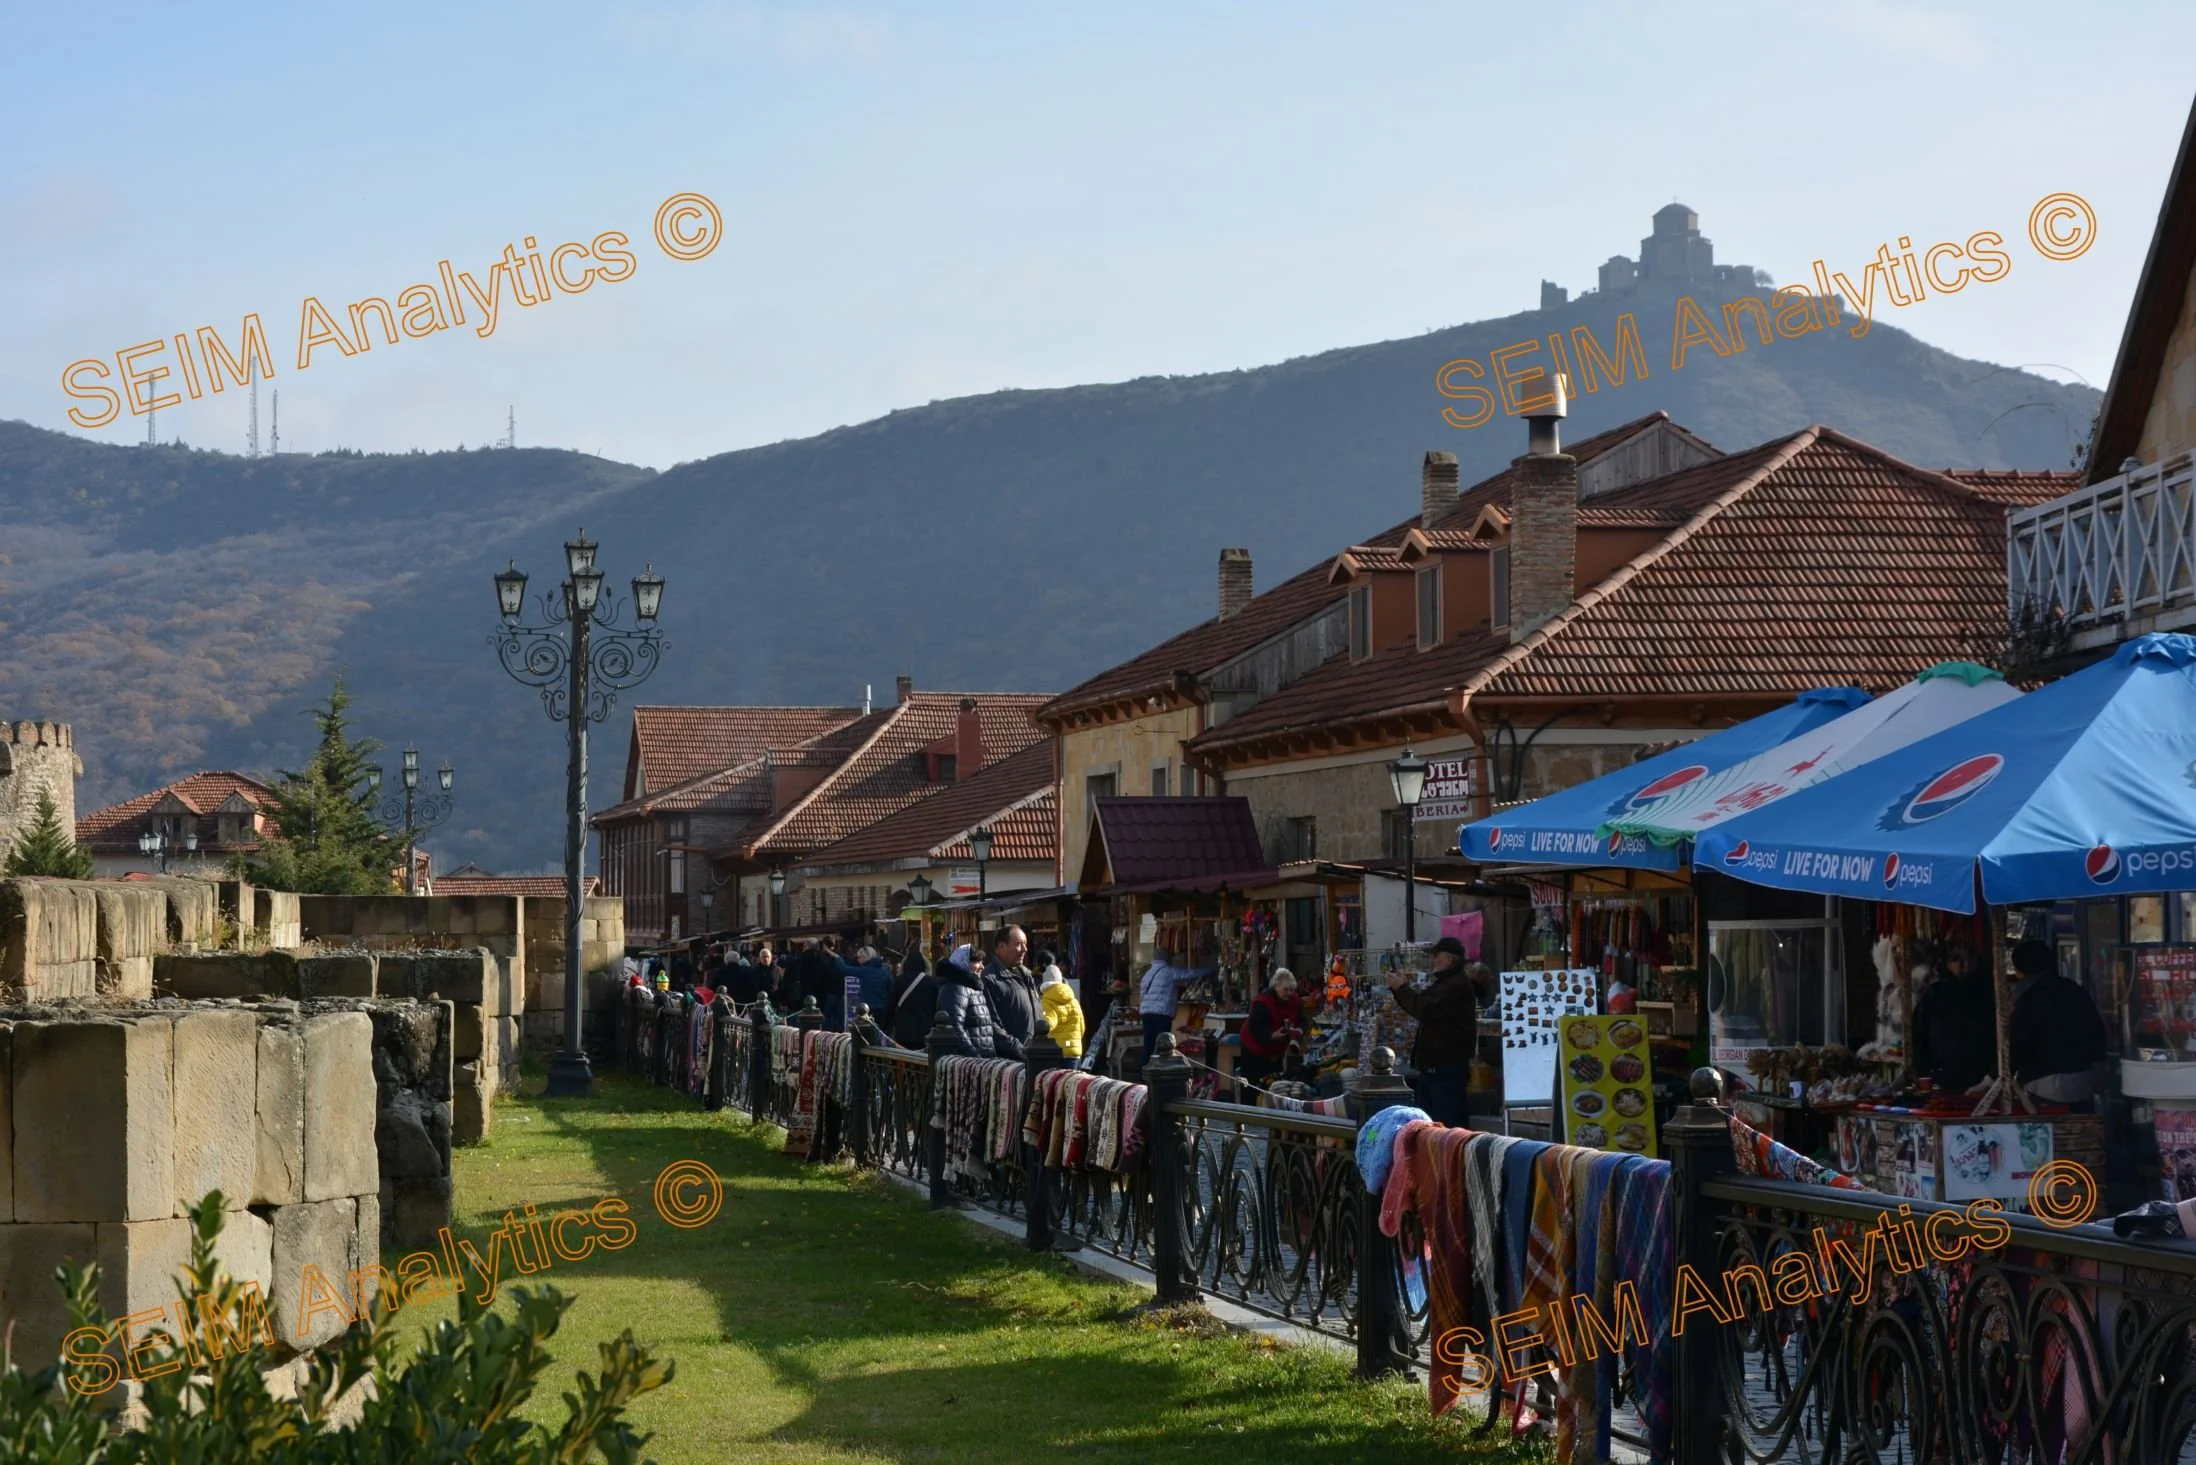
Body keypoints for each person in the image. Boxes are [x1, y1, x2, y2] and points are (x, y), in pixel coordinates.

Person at [1384, 939, 1480, 1127]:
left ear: (1448, 959)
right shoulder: (1444, 984)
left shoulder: (1456, 985)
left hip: (1446, 1069)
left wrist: (1401, 988)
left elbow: (1425, 1009)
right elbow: (1419, 1004)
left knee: (1448, 1126)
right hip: (1434, 1069)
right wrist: (1400, 988)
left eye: (1436, 956)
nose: (1432, 961)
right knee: (1428, 1126)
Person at [2007, 937, 2108, 1109]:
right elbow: (2097, 1032)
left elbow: (2019, 1044)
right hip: (2084, 1080)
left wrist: (1993, 1076)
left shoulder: (2029, 998)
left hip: (2045, 1085)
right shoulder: (2074, 989)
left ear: (2020, 970)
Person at [1911, 951, 1998, 1093]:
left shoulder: (1987, 994)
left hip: (1982, 1075)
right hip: (1943, 1074)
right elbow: (1919, 1036)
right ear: (1947, 964)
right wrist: (1923, 1073)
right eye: (1956, 959)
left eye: (1968, 958)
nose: (1964, 965)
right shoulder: (1935, 995)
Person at [1137, 939, 1217, 1068]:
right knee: (1163, 1045)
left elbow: (1142, 994)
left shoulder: (1148, 973)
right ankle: (1161, 1071)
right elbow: (1188, 974)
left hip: (1146, 1013)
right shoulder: (1168, 971)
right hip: (1161, 1013)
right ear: (1166, 958)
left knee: (1148, 1044)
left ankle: (1144, 1073)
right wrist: (1209, 970)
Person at [935, 944, 1021, 1058]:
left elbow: (986, 1027)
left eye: (982, 962)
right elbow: (955, 1028)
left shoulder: (973, 988)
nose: (982, 967)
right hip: (970, 1066)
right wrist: (976, 1059)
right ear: (963, 962)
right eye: (977, 962)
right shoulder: (955, 988)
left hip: (981, 1065)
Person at [1238, 968, 1306, 1090]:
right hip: (1254, 1048)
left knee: (1275, 1082)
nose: (1289, 993)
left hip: (1277, 1050)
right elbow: (1255, 1027)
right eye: (1286, 990)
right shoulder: (1263, 1002)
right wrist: (1272, 1035)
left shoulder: (1295, 1000)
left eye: (1292, 990)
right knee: (1253, 1085)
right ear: (1276, 987)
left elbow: (1302, 1020)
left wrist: (1299, 1031)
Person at [981, 926, 1044, 1046]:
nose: (1024, 949)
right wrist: (1019, 1049)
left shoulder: (1028, 975)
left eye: (1025, 944)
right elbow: (991, 1024)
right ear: (1001, 947)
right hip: (1012, 1059)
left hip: (1036, 1055)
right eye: (1018, 944)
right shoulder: (989, 979)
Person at [885, 947, 939, 1048]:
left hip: (903, 1032)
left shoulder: (899, 981)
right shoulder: (931, 982)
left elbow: (890, 1006)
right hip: (926, 1031)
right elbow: (937, 1007)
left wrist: (886, 1027)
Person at [1036, 952, 1084, 1058]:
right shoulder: (1073, 1000)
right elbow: (1082, 1026)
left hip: (1059, 1051)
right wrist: (1074, 1042)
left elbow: (1050, 1022)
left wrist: (1039, 1029)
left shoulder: (1047, 1000)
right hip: (1075, 1051)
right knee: (1074, 1075)